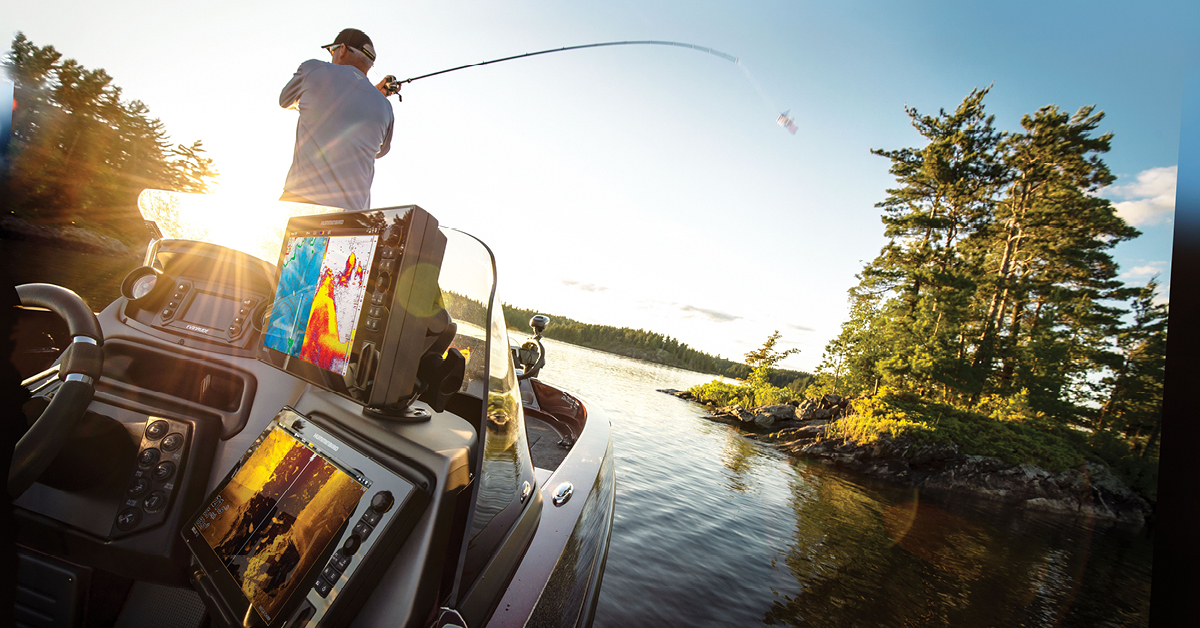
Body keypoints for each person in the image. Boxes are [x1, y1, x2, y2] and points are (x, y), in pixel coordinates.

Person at [279, 29, 397, 210]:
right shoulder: (386, 107)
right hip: (353, 215)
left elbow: (285, 101)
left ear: (342, 49)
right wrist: (372, 99)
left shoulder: (313, 69)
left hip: (301, 203)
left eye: (331, 51)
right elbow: (378, 152)